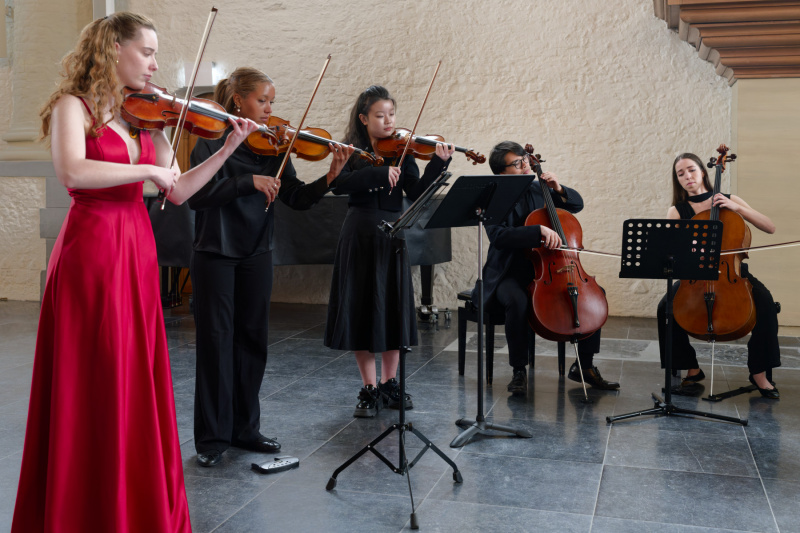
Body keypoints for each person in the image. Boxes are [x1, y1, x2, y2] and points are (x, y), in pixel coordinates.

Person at [12, 13, 260, 532]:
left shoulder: (148, 118)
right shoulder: (73, 106)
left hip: (136, 250)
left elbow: (179, 189)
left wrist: (229, 150)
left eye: (154, 54)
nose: (153, 64)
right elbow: (72, 170)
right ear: (112, 49)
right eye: (146, 52)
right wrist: (145, 169)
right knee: (93, 377)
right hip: (91, 250)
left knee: (132, 378)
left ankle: (132, 508)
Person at [188, 67, 355, 467]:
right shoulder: (211, 140)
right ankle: (212, 439)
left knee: (253, 342)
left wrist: (330, 178)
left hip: (257, 251)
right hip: (215, 251)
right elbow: (197, 196)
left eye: (271, 102)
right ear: (239, 100)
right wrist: (249, 182)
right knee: (216, 343)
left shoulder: (275, 145)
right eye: (262, 100)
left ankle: (245, 429)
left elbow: (296, 198)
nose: (269, 109)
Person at [324, 85, 454, 417]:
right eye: (380, 115)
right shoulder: (350, 150)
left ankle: (389, 383)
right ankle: (369, 388)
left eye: (392, 114)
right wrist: (379, 173)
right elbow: (338, 184)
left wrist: (438, 164)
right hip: (360, 232)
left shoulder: (403, 150)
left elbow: (417, 190)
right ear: (363, 118)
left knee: (393, 308)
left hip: (393, 234)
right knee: (361, 309)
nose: (388, 121)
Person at [475, 141, 619, 396]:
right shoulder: (493, 197)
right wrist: (537, 231)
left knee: (595, 295)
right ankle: (519, 370)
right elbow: (498, 236)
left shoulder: (539, 189)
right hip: (509, 272)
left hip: (548, 270)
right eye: (516, 163)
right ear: (501, 172)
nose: (524, 165)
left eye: (524, 159)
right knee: (517, 300)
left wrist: (558, 188)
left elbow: (576, 206)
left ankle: (585, 366)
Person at [658, 152, 780, 398]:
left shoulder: (729, 199)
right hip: (695, 275)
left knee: (766, 305)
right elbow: (671, 252)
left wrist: (737, 208)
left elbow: (770, 227)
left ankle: (759, 372)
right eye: (680, 174)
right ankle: (691, 368)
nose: (687, 176)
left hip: (733, 272)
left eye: (691, 170)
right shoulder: (677, 211)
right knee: (665, 309)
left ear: (703, 172)